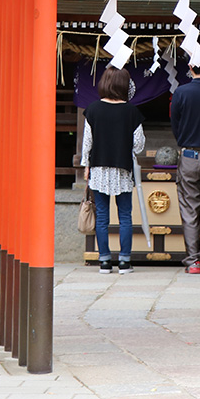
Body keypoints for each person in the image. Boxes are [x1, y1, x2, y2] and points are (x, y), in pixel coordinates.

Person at [81, 66, 145, 274]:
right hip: (123, 169)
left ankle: (105, 261)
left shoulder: (92, 109)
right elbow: (139, 144)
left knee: (102, 217)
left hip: (98, 168)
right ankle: (125, 261)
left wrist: (85, 166)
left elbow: (87, 143)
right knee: (125, 215)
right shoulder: (132, 111)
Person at [171, 46, 200, 274]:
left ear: (190, 67)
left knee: (190, 211)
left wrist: (185, 140)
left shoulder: (181, 92)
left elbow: (176, 125)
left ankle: (193, 261)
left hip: (189, 155)